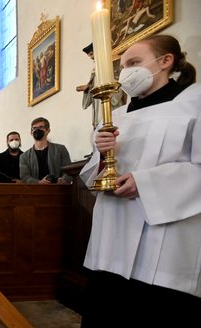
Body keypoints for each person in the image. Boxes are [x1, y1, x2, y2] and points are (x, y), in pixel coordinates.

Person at [79, 34, 200, 327]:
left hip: (164, 239)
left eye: (134, 62)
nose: (125, 73)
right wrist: (101, 152)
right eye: (122, 67)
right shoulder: (116, 114)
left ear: (165, 61)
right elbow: (93, 174)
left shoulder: (194, 103)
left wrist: (146, 183)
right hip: (111, 240)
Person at [76, 43, 126, 129]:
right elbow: (94, 86)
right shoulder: (94, 70)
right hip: (99, 106)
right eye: (90, 57)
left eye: (92, 54)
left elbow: (121, 83)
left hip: (113, 106)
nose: (92, 58)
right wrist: (87, 88)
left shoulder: (116, 62)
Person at [19, 117, 72, 184]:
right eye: (34, 128)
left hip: (58, 189)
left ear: (48, 130)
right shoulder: (24, 156)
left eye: (41, 127)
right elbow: (25, 177)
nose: (37, 130)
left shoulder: (60, 149)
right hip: (36, 191)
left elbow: (68, 170)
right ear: (31, 133)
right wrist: (39, 182)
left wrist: (63, 180)